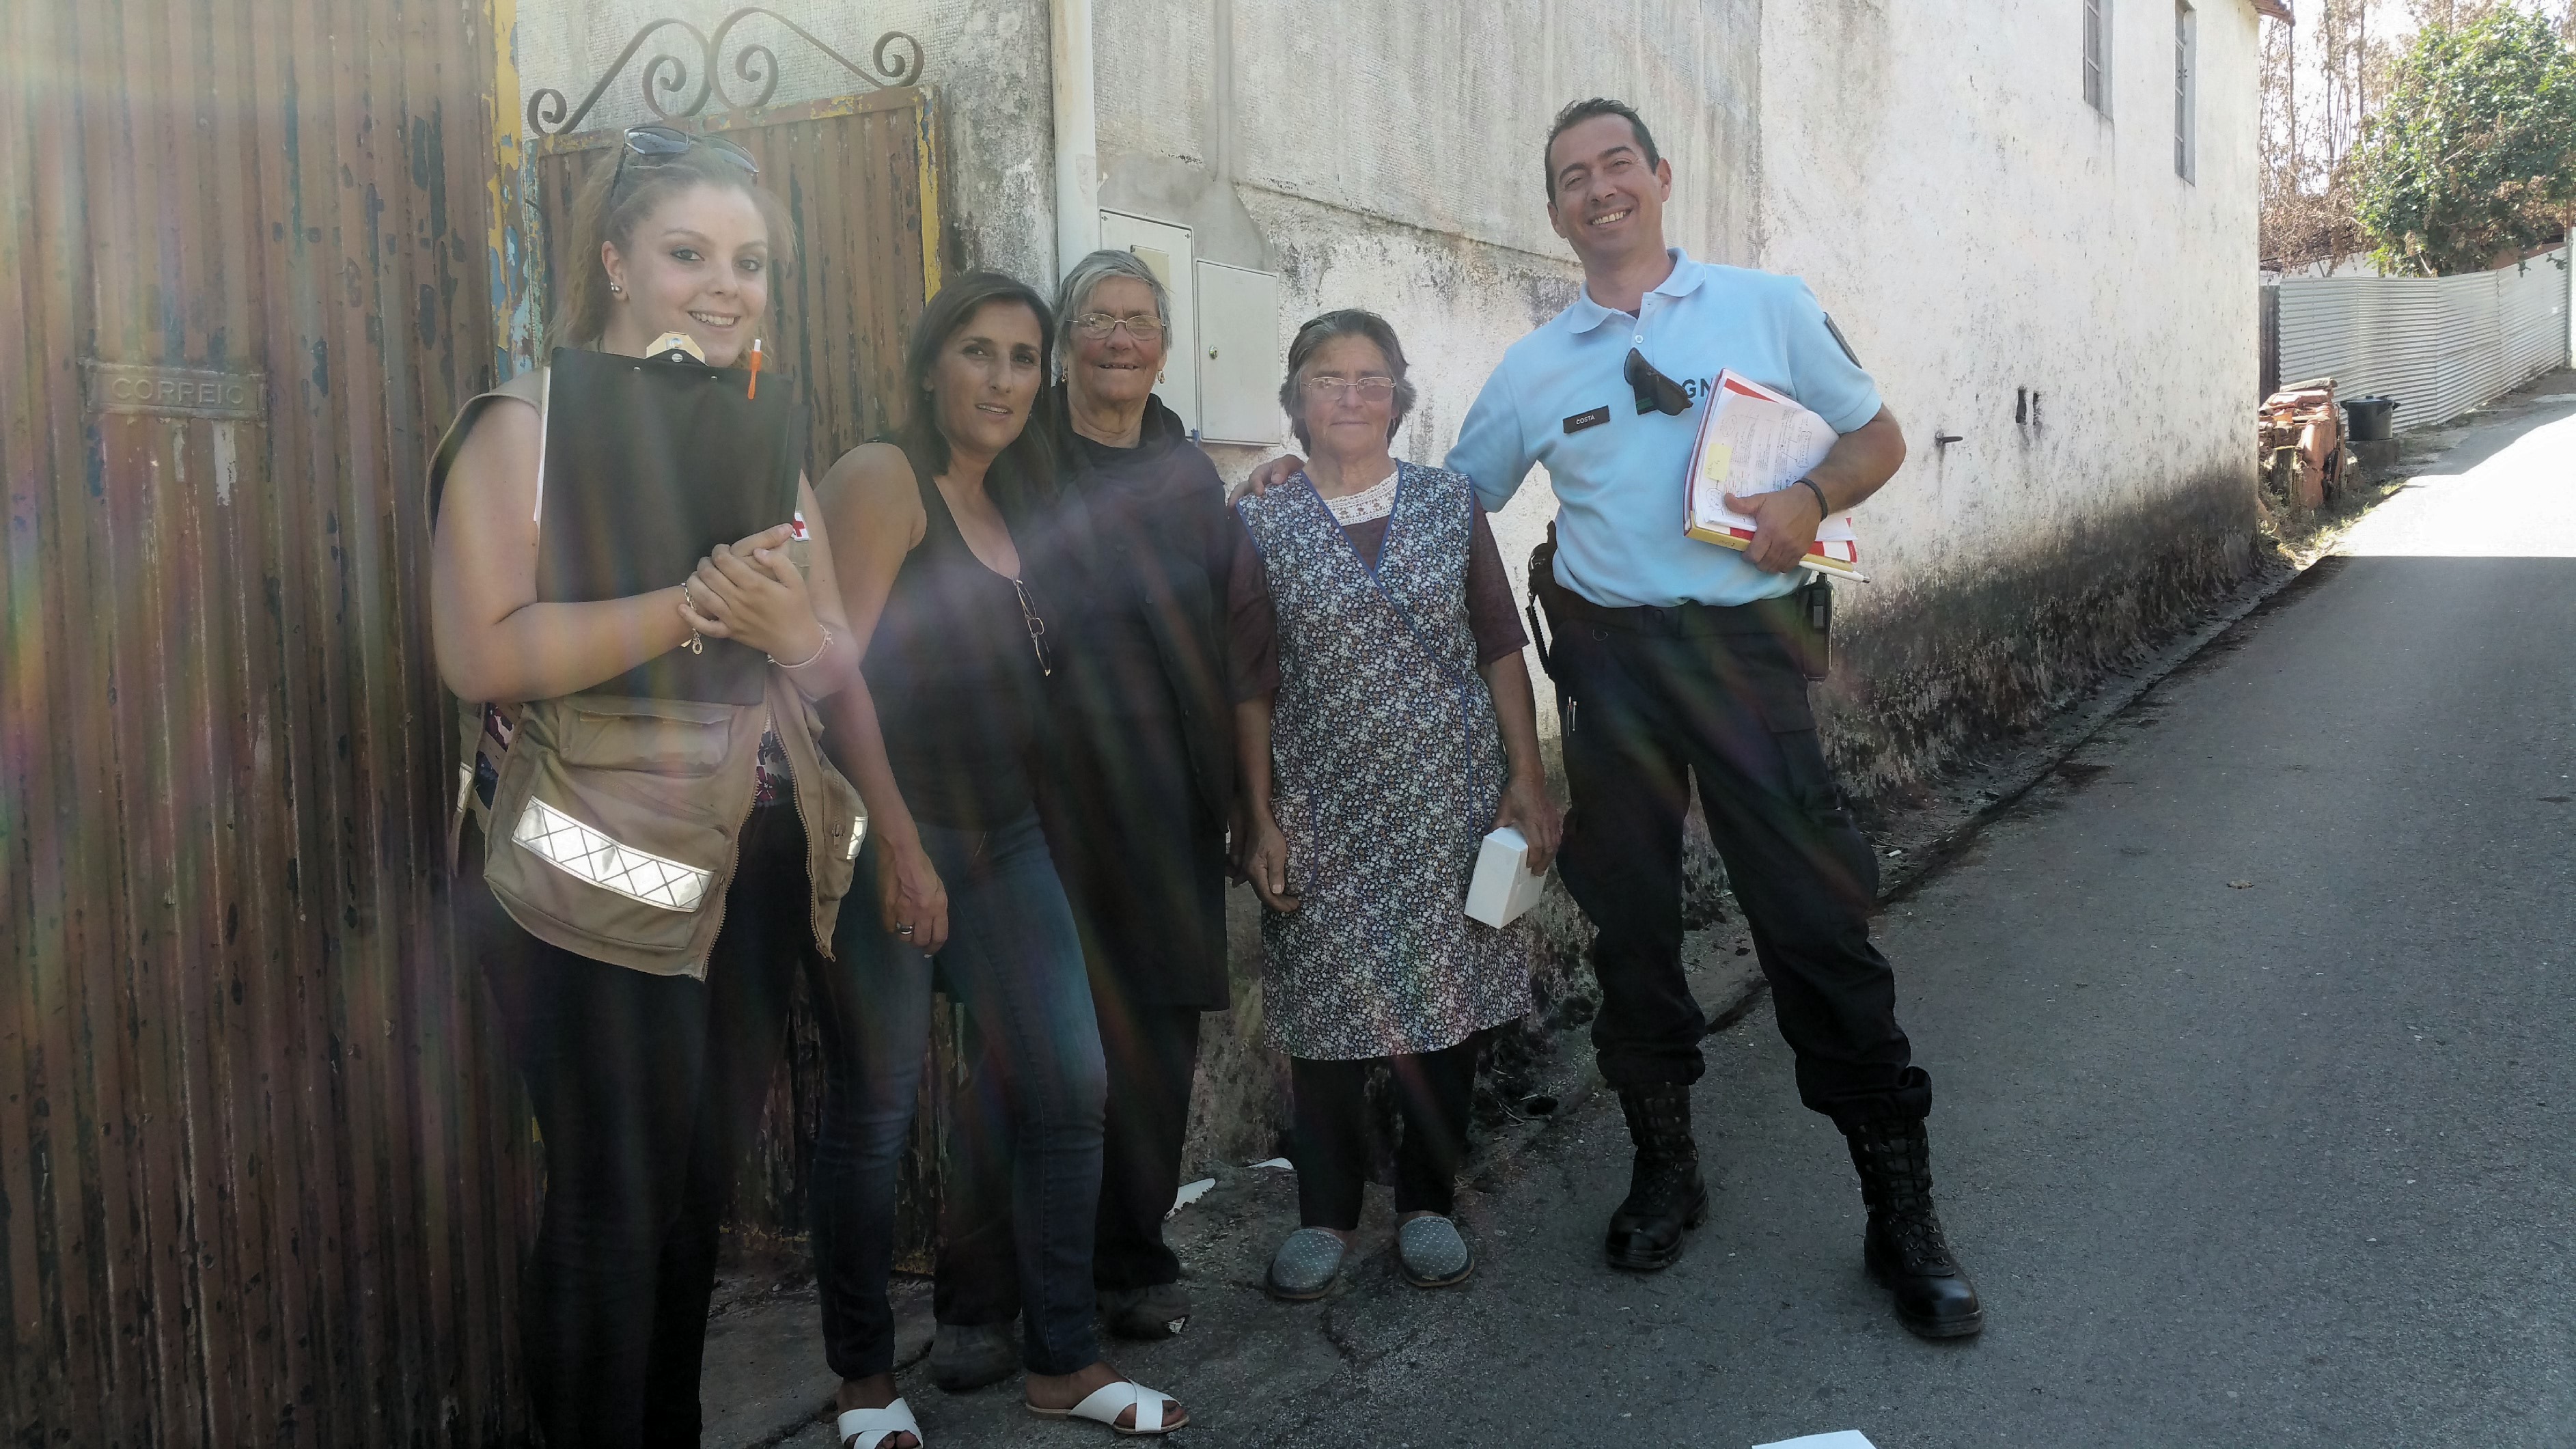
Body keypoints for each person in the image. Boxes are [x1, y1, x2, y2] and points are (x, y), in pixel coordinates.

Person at [1242, 98, 1982, 1339]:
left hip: (1747, 663)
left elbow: (1879, 438)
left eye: (1617, 165)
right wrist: (1306, 475)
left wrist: (1810, 498)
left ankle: (1901, 1211)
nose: (1599, 189)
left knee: (1817, 927)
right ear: (1554, 211)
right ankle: (1665, 1169)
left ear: (1660, 177)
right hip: (1613, 673)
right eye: (1573, 177)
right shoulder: (1536, 368)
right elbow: (1439, 507)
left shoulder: (1768, 306)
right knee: (1631, 936)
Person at [427, 128, 868, 1448]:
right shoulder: (524, 428)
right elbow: (478, 652)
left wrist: (794, 631)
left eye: (751, 262)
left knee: (690, 1196)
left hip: (746, 859)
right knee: (613, 1200)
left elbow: (838, 654)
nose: (727, 286)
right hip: (588, 858)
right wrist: (689, 606)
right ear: (616, 263)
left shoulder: (760, 437)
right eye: (689, 253)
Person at [809, 272, 1189, 1446]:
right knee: (879, 1109)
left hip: (1005, 834)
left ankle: (1062, 1360)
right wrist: (900, 843)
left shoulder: (1013, 497)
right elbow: (828, 674)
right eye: (978, 352)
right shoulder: (886, 478)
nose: (1004, 379)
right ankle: (864, 1381)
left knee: (1071, 1085)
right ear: (931, 365)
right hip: (893, 829)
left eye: (1024, 358)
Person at [928, 249, 1248, 1389]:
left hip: (1164, 798)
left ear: (1164, 345)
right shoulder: (1022, 457)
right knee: (1024, 1044)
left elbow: (1234, 635)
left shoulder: (1189, 475)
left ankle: (1128, 1262)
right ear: (1068, 342)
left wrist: (1247, 802)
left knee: (1153, 1044)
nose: (1119, 338)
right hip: (1039, 797)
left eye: (1139, 320)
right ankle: (979, 1297)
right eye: (1099, 319)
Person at [1230, 309, 1562, 1300]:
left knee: (1445, 1006)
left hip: (1447, 800)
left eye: (1371, 378)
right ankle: (1326, 1213)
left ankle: (1427, 1203)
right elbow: (1249, 682)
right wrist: (1259, 815)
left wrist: (1526, 777)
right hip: (1320, 804)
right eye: (1327, 378)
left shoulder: (1449, 502)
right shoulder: (1259, 520)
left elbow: (1500, 646)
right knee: (1324, 1011)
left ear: (1398, 398)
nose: (1350, 395)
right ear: (1295, 401)